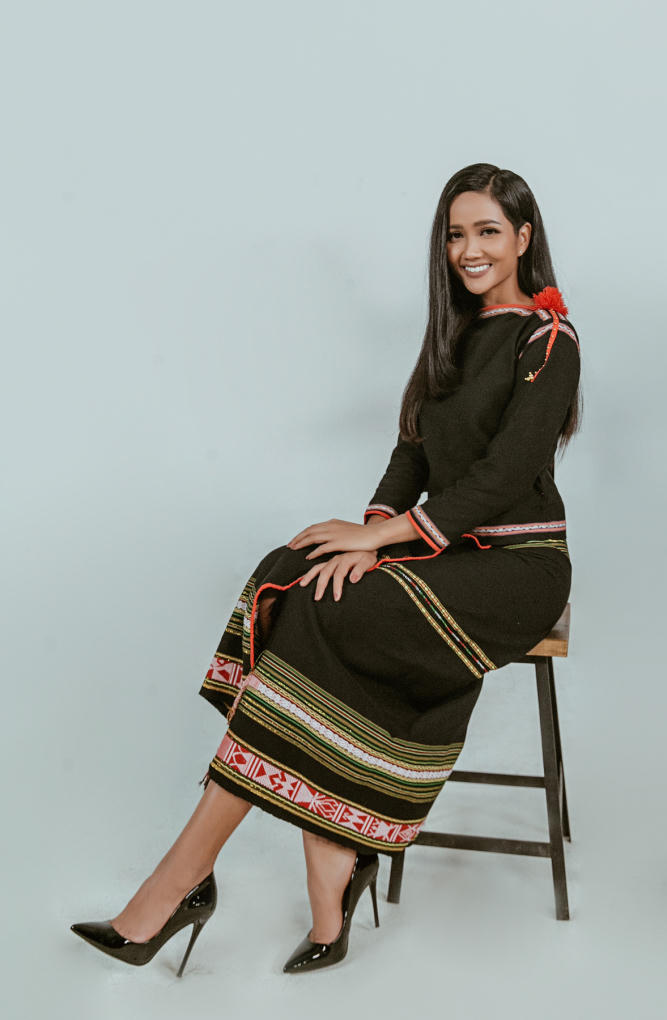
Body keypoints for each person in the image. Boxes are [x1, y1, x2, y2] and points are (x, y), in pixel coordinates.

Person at [70, 162, 583, 976]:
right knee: (297, 568)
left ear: (524, 237)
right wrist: (369, 531)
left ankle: (192, 879)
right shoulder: (452, 338)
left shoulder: (549, 341)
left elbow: (501, 477)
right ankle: (326, 873)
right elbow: (412, 454)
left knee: (326, 602)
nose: (469, 250)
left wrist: (380, 542)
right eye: (456, 234)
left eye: (488, 231)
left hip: (517, 568)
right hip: (447, 546)